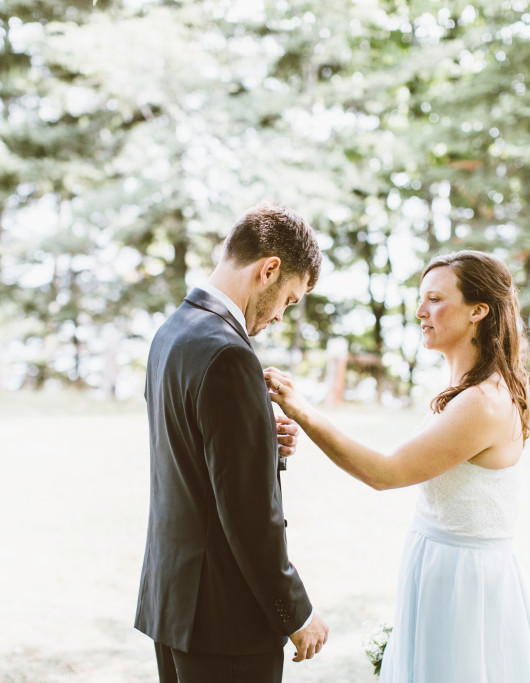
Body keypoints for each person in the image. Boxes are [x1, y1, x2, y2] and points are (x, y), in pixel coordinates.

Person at [265, 251, 530, 682]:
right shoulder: (461, 389)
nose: (420, 312)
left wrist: (304, 412)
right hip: (437, 564)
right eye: (421, 298)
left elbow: (386, 473)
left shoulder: (482, 403)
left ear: (478, 310)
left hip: (466, 584)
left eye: (436, 299)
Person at [135, 202, 329, 683]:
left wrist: (263, 441)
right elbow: (245, 512)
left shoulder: (172, 333)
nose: (282, 316)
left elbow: (189, 453)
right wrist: (296, 613)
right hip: (225, 622)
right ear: (269, 270)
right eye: (289, 299)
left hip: (175, 603)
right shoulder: (229, 354)